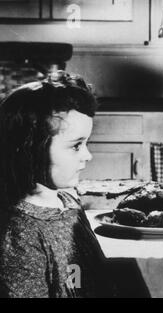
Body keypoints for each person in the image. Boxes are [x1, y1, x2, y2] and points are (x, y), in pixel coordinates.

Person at [0, 72, 116, 298]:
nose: (88, 155)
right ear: (29, 149)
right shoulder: (20, 237)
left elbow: (90, 277)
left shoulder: (68, 202)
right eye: (76, 146)